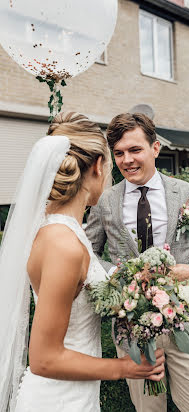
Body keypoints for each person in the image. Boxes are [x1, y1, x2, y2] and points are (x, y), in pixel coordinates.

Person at [0, 112, 165, 412]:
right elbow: (44, 359)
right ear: (99, 166)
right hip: (58, 400)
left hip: (74, 393)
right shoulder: (64, 245)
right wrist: (125, 368)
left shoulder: (61, 230)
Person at [86, 113, 189, 412]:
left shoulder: (188, 193)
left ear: (156, 149)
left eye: (135, 150)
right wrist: (118, 275)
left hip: (186, 325)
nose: (127, 160)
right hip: (131, 328)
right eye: (119, 153)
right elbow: (88, 252)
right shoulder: (105, 200)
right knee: (148, 409)